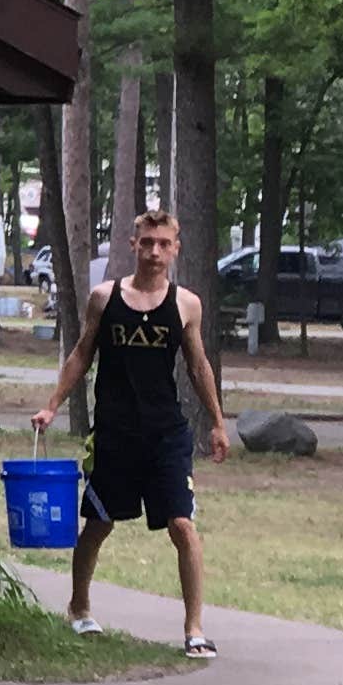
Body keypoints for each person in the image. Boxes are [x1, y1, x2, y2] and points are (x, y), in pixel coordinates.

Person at [31, 203, 234, 657]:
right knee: (99, 523)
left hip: (166, 434)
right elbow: (82, 353)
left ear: (175, 249)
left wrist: (219, 423)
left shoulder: (186, 304)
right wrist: (52, 407)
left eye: (164, 244)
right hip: (115, 434)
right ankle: (79, 607)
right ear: (132, 246)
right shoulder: (106, 298)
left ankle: (194, 630)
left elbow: (199, 365)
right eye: (147, 243)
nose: (155, 252)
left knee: (182, 524)